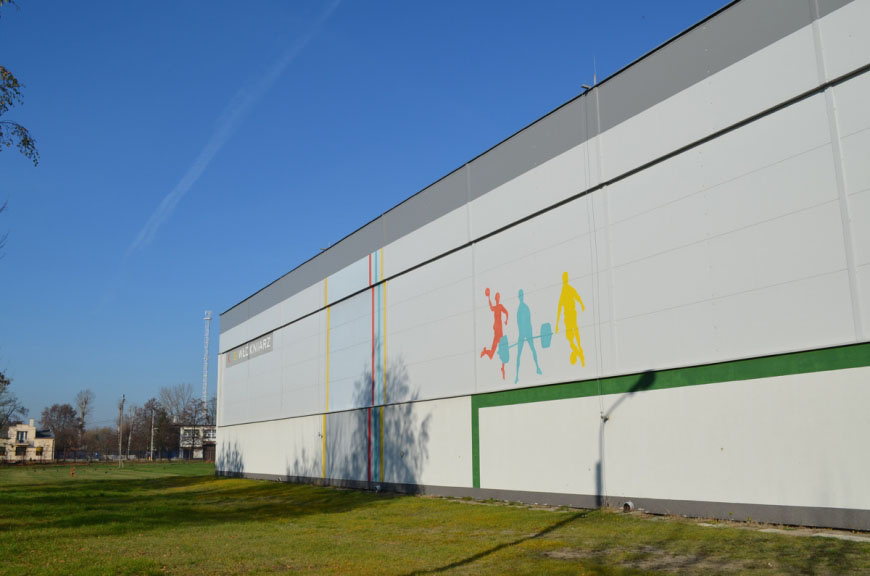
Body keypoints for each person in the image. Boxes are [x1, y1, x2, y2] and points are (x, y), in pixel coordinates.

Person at [555, 271, 586, 366]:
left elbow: (576, 297)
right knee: (571, 337)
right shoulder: (565, 290)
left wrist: (582, 304)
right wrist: (557, 324)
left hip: (570, 314)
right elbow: (560, 307)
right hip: (568, 315)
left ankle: (579, 350)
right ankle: (579, 352)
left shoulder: (567, 290)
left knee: (574, 333)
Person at [515, 289, 542, 383]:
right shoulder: (519, 310)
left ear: (523, 296)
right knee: (518, 354)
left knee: (533, 349)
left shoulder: (526, 308)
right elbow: (518, 324)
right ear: (519, 297)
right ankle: (516, 376)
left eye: (521, 295)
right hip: (522, 334)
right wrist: (521, 336)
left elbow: (529, 321)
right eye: (520, 295)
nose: (521, 297)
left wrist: (529, 334)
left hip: (527, 332)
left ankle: (538, 367)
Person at [480, 287, 508, 379]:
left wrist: (506, 320)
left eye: (498, 297)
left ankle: (503, 368)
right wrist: (488, 297)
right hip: (496, 332)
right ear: (495, 298)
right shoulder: (495, 308)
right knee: (491, 355)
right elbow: (491, 307)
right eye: (496, 297)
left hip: (500, 332)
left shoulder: (500, 306)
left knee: (503, 350)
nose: (497, 298)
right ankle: (486, 351)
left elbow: (506, 312)